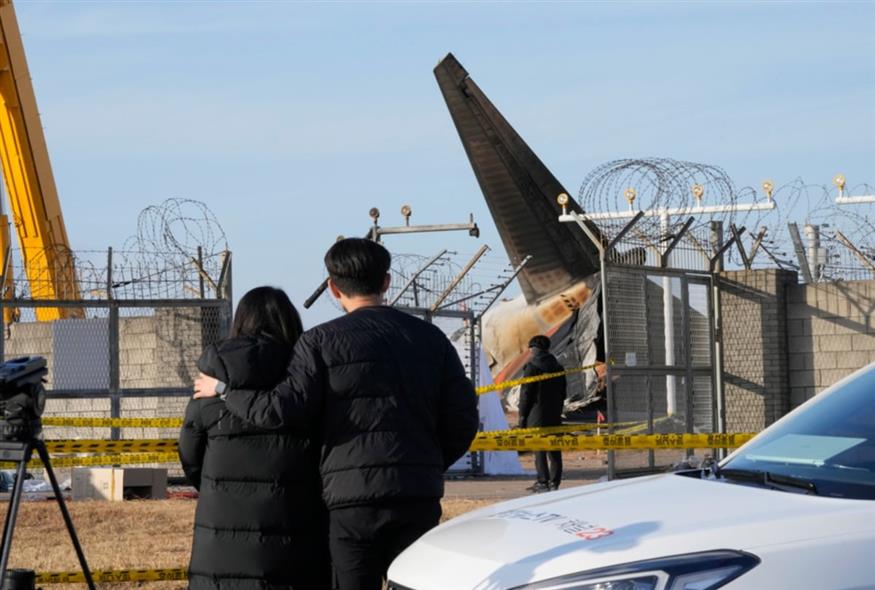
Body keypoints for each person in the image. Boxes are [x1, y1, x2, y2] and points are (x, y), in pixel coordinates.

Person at [193, 238, 479, 590]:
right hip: (417, 493)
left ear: (333, 288)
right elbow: (464, 418)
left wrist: (223, 391)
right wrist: (430, 462)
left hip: (351, 498)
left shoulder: (319, 342)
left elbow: (281, 410)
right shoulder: (432, 339)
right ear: (386, 282)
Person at [179, 286, 330, 590]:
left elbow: (190, 451)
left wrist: (214, 485)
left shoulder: (212, 380)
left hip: (221, 528)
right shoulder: (306, 375)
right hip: (296, 522)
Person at [518, 334, 566, 493]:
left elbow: (526, 394)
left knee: (539, 449)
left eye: (530, 348)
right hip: (554, 414)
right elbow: (563, 392)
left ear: (534, 348)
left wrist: (522, 416)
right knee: (554, 449)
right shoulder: (558, 367)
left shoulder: (532, 367)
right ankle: (554, 482)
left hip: (536, 415)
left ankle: (542, 482)